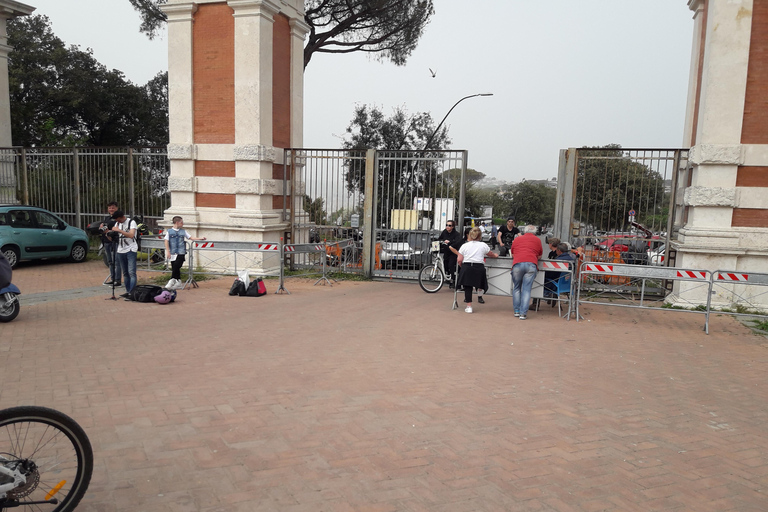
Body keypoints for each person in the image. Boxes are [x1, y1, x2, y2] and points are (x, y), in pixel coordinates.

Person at [456, 227, 498, 313]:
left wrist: (462, 266)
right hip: (479, 267)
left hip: (467, 266)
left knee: (468, 286)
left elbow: (459, 259)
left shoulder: (464, 246)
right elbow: (490, 254)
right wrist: (495, 255)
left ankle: (469, 306)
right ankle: (480, 296)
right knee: (479, 284)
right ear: (480, 236)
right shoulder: (483, 245)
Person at [163, 216, 206, 290]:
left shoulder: (183, 231)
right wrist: (168, 251)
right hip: (173, 252)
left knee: (177, 266)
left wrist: (200, 238)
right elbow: (166, 241)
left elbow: (191, 237)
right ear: (177, 222)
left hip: (181, 252)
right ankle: (178, 281)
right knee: (174, 267)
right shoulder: (169, 231)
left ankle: (172, 280)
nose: (182, 224)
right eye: (181, 222)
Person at [510, 225, 543, 320]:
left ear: (524, 231)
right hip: (531, 264)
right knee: (526, 290)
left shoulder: (517, 239)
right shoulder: (537, 240)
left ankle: (516, 311)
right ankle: (523, 314)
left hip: (517, 264)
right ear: (535, 232)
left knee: (516, 288)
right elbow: (540, 255)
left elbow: (512, 254)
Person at [110, 210, 138, 299]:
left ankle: (132, 292)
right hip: (120, 249)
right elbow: (112, 238)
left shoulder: (131, 222)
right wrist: (107, 232)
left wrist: (119, 230)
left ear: (122, 217)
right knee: (125, 273)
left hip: (131, 249)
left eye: (118, 220)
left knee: (131, 272)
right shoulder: (117, 224)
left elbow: (131, 235)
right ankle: (128, 291)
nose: (117, 222)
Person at [100, 201, 121, 286]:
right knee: (110, 261)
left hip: (114, 242)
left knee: (116, 261)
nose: (111, 209)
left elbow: (118, 230)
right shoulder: (107, 218)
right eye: (109, 208)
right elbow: (104, 228)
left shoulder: (118, 218)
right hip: (106, 241)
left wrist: (108, 231)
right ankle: (112, 278)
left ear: (116, 208)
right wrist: (102, 228)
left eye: (113, 207)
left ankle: (118, 280)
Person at [438, 220, 461, 285]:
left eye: (449, 225)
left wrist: (450, 242)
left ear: (453, 227)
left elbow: (457, 242)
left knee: (451, 264)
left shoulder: (456, 234)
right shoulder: (444, 232)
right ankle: (448, 277)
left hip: (453, 252)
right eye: (446, 225)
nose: (447, 227)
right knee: (445, 264)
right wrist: (442, 241)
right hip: (446, 251)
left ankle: (453, 279)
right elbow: (440, 239)